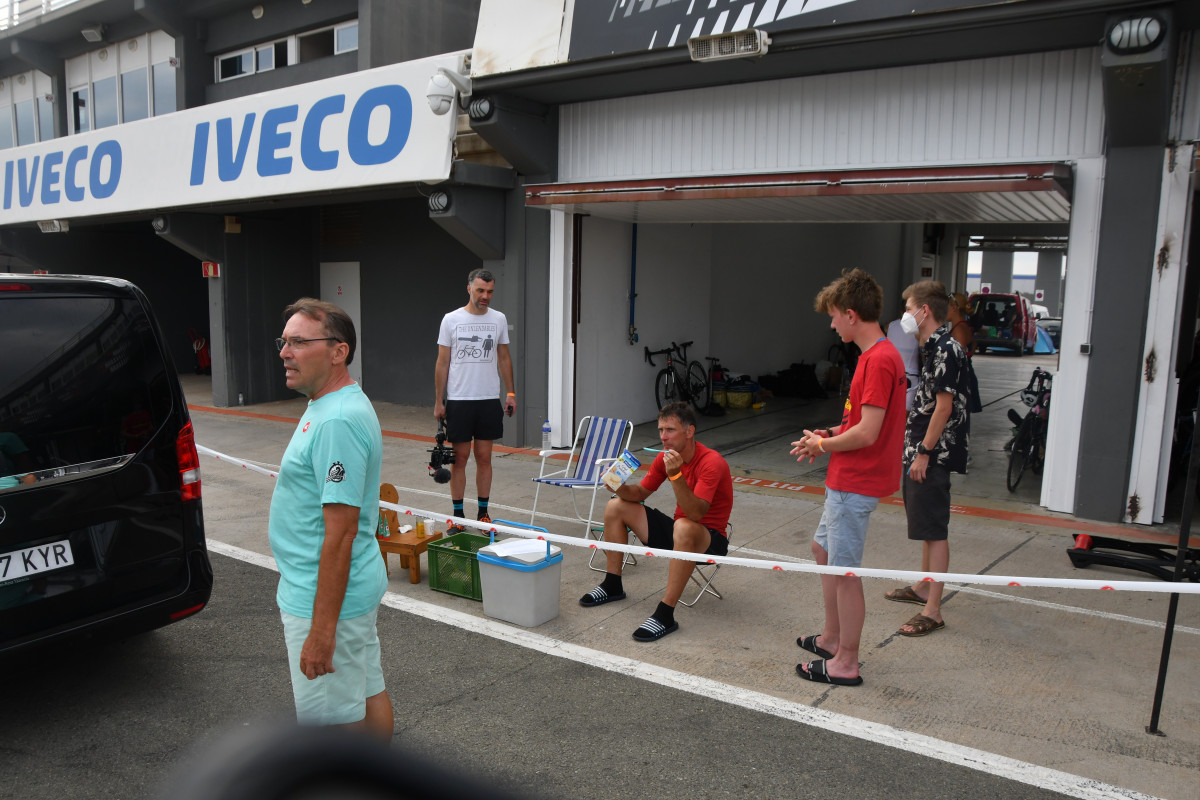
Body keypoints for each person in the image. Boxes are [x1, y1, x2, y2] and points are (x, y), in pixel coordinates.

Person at [268, 298, 393, 740]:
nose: (285, 353)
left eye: (299, 342)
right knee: (366, 692)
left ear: (338, 352)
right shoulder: (329, 404)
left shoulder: (337, 419)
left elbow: (340, 534)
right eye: (284, 342)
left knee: (332, 728)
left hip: (326, 598)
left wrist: (322, 631)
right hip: (341, 590)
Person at [791, 268, 907, 686]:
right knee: (823, 551)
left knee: (844, 572)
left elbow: (868, 433)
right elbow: (857, 423)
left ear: (851, 315)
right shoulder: (876, 356)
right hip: (847, 478)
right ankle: (832, 638)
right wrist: (825, 435)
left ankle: (846, 661)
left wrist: (823, 446)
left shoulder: (878, 360)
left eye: (834, 316)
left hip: (854, 481)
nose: (832, 324)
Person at [579, 401, 733, 642]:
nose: (663, 436)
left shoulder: (711, 462)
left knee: (684, 525)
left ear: (689, 431)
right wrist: (619, 487)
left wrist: (676, 475)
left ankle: (665, 613)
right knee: (615, 506)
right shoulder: (665, 458)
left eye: (670, 430)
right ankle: (612, 584)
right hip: (679, 532)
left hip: (709, 540)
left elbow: (695, 514)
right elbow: (640, 492)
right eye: (661, 430)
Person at [883, 281, 970, 638]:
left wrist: (923, 453)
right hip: (920, 447)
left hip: (932, 453)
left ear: (925, 310)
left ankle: (933, 610)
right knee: (924, 524)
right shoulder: (931, 347)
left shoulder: (947, 349)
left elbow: (944, 407)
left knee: (934, 529)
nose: (904, 314)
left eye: (908, 307)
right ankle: (923, 587)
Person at [435, 268, 517, 532]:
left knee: (484, 458)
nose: (485, 296)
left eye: (490, 292)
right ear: (469, 288)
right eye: (481, 290)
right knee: (459, 459)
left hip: (488, 398)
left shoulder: (498, 319)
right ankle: (458, 517)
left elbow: (503, 357)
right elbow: (442, 362)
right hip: (459, 399)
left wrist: (511, 393)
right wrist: (439, 401)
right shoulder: (451, 319)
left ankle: (483, 514)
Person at [947, 292, 982, 414]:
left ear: (954, 308)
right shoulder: (962, 326)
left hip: (961, 378)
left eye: (946, 306)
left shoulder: (959, 329)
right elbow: (973, 343)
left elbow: (959, 357)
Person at [885, 306, 919, 411]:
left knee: (890, 413)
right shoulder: (918, 328)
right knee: (904, 416)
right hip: (910, 376)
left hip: (892, 374)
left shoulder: (890, 325)